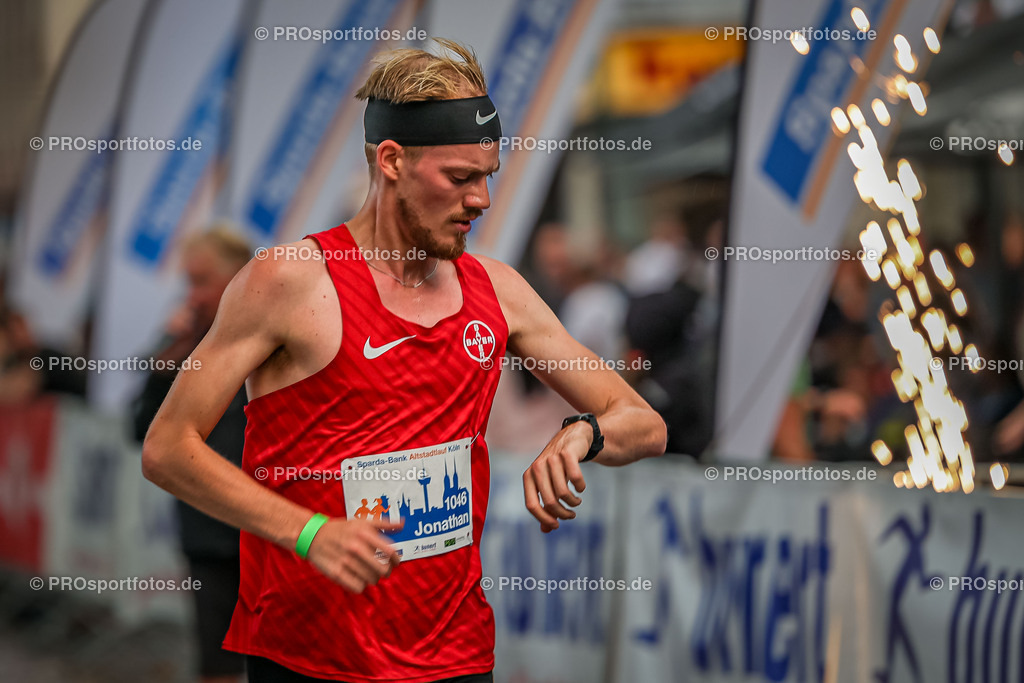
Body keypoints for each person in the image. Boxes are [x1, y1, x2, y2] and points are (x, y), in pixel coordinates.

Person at [142, 39, 666, 683]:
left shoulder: (497, 290)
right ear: (391, 160)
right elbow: (169, 447)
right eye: (460, 177)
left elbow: (642, 421)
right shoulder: (290, 281)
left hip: (456, 655)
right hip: (311, 656)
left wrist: (581, 434)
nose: (482, 200)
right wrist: (308, 532)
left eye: (488, 176)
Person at [132, 225, 252, 683]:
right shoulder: (184, 345)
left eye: (201, 281)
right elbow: (141, 432)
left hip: (276, 528)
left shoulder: (276, 334)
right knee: (216, 662)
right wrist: (163, 367)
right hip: (207, 531)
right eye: (188, 282)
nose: (192, 296)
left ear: (236, 278)